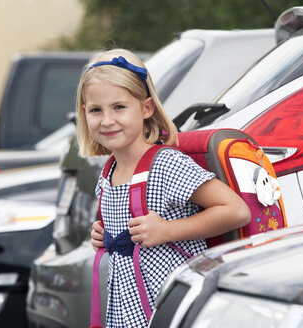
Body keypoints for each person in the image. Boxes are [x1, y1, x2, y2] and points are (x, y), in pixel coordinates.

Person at [76, 48, 250, 328]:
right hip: (126, 310)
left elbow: (236, 211)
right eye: (96, 110)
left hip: (168, 307)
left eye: (119, 107)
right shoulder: (108, 171)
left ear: (146, 109)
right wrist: (104, 234)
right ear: (84, 113)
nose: (107, 120)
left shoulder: (166, 164)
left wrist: (168, 231)